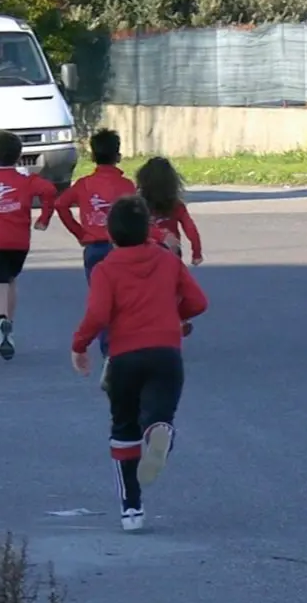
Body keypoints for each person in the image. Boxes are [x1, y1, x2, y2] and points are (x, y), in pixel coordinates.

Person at [70, 195, 208, 532]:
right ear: (148, 228)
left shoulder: (106, 269)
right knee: (159, 414)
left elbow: (98, 314)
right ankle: (158, 431)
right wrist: (175, 317)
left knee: (123, 428)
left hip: (124, 357)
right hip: (165, 352)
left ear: (112, 236)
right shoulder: (167, 261)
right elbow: (198, 301)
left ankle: (131, 508)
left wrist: (80, 345)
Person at [54, 128, 137, 389]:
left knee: (102, 302)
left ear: (92, 155)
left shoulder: (84, 185)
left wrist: (80, 231)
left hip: (93, 249)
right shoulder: (126, 186)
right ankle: (125, 348)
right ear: (118, 155)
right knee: (125, 302)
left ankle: (108, 352)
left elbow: (60, 205)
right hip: (121, 249)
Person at [0, 130, 57, 360]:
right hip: (20, 242)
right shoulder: (27, 180)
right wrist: (44, 217)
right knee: (10, 278)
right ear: (19, 155)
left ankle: (1, 319)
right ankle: (8, 329)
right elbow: (50, 191)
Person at [136, 157, 204, 266]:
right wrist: (197, 253)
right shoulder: (176, 205)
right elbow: (190, 229)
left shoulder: (138, 204)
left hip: (145, 252)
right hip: (171, 250)